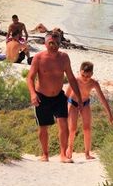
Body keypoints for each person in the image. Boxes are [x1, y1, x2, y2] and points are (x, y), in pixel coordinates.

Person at [27, 31, 83, 163]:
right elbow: (30, 77)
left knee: (64, 125)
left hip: (58, 97)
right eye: (51, 43)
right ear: (45, 43)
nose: (54, 46)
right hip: (42, 98)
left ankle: (63, 154)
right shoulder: (38, 58)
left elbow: (71, 78)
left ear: (60, 43)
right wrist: (33, 93)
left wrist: (79, 97)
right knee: (43, 128)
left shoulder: (64, 58)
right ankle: (45, 154)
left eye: (57, 43)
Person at [65, 61, 113, 160]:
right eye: (83, 75)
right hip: (73, 103)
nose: (85, 78)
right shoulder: (74, 81)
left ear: (92, 74)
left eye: (88, 76)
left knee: (87, 128)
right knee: (72, 129)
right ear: (80, 71)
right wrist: (61, 112)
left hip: (85, 104)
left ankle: (87, 153)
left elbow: (102, 99)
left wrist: (110, 114)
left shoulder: (94, 83)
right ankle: (69, 149)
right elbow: (66, 96)